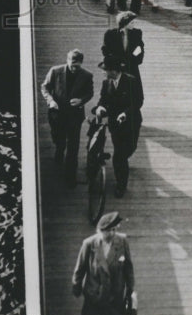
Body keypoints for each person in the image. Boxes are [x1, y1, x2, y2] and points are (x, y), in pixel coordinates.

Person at [40, 49, 94, 187]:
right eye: (72, 65)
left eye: (77, 66)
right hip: (57, 114)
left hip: (74, 116)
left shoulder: (87, 76)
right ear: (67, 60)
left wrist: (81, 101)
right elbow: (45, 88)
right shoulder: (55, 71)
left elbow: (89, 93)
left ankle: (70, 178)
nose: (74, 68)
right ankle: (59, 148)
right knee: (58, 139)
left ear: (81, 63)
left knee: (73, 147)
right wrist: (50, 101)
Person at [72, 211, 136, 315]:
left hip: (115, 300)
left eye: (114, 230)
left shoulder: (122, 242)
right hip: (94, 300)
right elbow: (80, 269)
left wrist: (130, 289)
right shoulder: (89, 244)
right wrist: (77, 288)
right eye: (107, 231)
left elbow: (128, 267)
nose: (111, 234)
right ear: (99, 231)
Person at [94, 54, 138, 198]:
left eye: (106, 70)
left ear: (114, 70)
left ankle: (124, 163)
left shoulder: (131, 81)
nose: (104, 73)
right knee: (119, 155)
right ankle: (121, 185)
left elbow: (137, 103)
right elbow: (103, 100)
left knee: (128, 150)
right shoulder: (107, 83)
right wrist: (100, 107)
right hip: (115, 125)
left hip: (131, 124)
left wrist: (125, 113)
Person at [101, 11, 145, 151]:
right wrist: (125, 60)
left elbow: (140, 56)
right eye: (132, 22)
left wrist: (125, 60)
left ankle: (131, 116)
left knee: (137, 95)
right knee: (114, 93)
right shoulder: (110, 34)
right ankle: (117, 115)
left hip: (132, 70)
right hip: (116, 70)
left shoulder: (137, 33)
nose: (134, 25)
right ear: (124, 23)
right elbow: (106, 53)